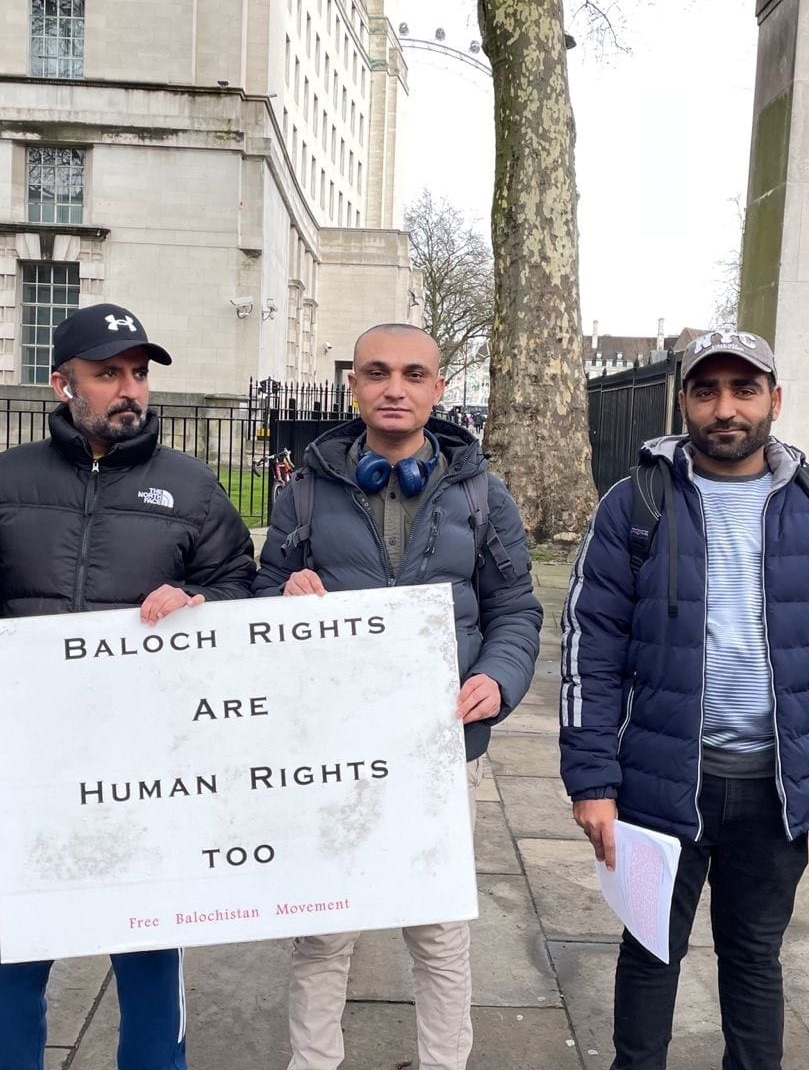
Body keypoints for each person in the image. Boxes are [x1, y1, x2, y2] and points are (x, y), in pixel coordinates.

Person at [559, 329, 809, 1070]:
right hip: (658, 783)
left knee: (754, 959)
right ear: (685, 402)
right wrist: (592, 779)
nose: (726, 408)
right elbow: (591, 643)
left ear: (775, 399)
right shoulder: (635, 503)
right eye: (706, 391)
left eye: (745, 390)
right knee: (649, 953)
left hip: (776, 790)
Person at [0, 303, 254, 1070]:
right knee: (12, 953)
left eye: (139, 374)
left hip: (145, 767)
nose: (130, 389)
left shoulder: (193, 489)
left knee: (148, 953)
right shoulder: (0, 484)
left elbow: (241, 593)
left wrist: (201, 606)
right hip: (19, 766)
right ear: (62, 384)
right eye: (108, 372)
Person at [254, 323, 542, 1070]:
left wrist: (500, 678)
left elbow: (515, 606)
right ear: (353, 384)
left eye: (414, 374)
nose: (395, 388)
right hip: (332, 750)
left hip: (442, 750)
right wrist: (284, 593)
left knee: (439, 930)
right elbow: (257, 594)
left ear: (438, 389)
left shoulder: (483, 494)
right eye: (378, 373)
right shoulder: (304, 492)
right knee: (323, 930)